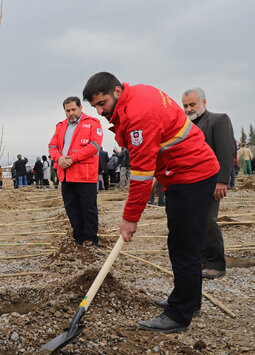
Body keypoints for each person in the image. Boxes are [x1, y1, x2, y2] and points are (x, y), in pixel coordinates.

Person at [83, 72, 219, 334]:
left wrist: (130, 218)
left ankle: (179, 315)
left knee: (184, 247)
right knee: (182, 242)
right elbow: (160, 144)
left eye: (102, 104)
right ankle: (189, 300)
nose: (100, 112)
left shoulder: (138, 115)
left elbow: (141, 174)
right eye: (95, 107)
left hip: (191, 176)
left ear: (118, 91)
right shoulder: (138, 94)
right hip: (182, 173)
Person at [182, 87, 236, 279]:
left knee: (206, 221)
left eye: (192, 104)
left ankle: (216, 263)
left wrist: (222, 181)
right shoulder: (185, 127)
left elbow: (226, 151)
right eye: (185, 105)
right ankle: (202, 260)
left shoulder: (218, 120)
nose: (188, 109)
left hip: (211, 182)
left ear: (203, 103)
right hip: (190, 183)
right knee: (194, 223)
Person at [48, 96, 103, 246]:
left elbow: (94, 146)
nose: (71, 113)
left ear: (80, 108)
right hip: (66, 175)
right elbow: (52, 146)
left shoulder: (93, 123)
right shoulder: (60, 126)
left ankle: (92, 239)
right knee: (72, 208)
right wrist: (59, 159)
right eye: (67, 111)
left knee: (88, 208)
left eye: (73, 109)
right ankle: (78, 237)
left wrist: (72, 159)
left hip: (85, 175)